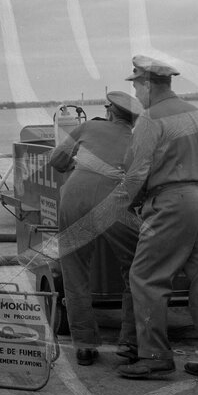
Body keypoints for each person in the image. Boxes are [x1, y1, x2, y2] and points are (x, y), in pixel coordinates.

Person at [115, 55, 198, 380]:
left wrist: (133, 203)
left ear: (148, 84)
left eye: (137, 85)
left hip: (172, 203)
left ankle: (154, 356)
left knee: (145, 277)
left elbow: (136, 173)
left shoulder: (150, 120)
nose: (136, 93)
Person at [50, 91, 143, 366]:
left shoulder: (88, 126)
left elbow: (57, 160)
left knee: (75, 271)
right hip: (114, 205)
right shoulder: (138, 139)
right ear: (134, 119)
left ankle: (85, 344)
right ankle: (129, 342)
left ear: (109, 111)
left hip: (74, 200)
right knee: (137, 269)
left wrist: (76, 165)